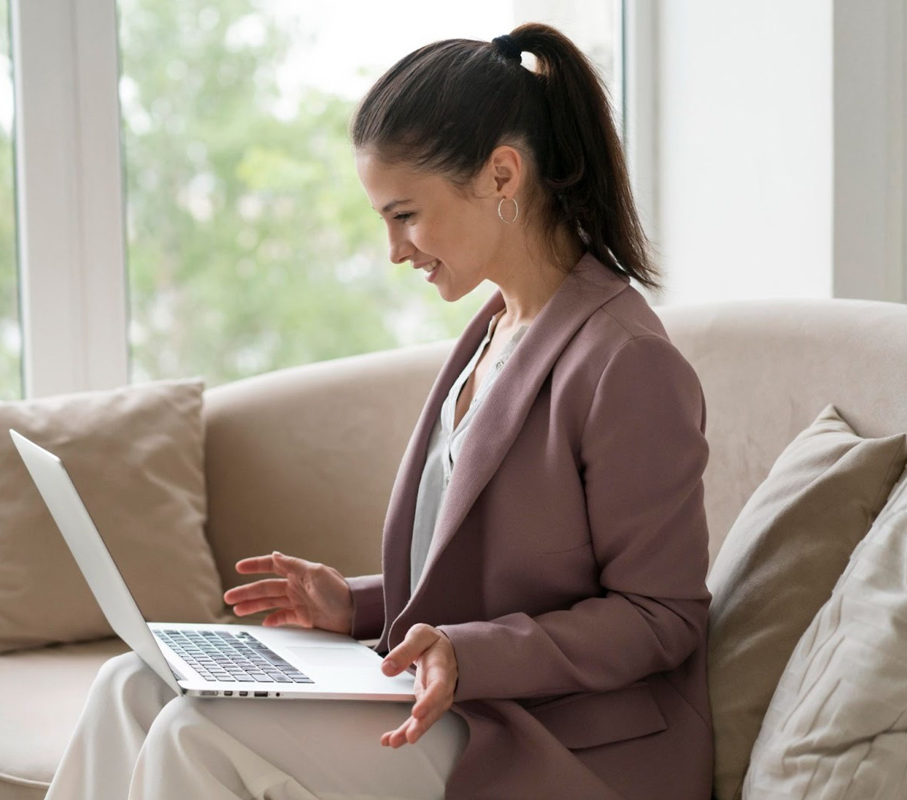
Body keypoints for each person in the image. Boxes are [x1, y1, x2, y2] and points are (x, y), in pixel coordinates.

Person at [44, 22, 713, 800]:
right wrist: (354, 604)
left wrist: (470, 656)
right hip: (462, 700)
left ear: (502, 175)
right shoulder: (493, 331)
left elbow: (663, 616)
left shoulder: (627, 362)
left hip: (567, 743)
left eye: (405, 215)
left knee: (199, 734)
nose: (395, 249)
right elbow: (491, 576)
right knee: (129, 685)